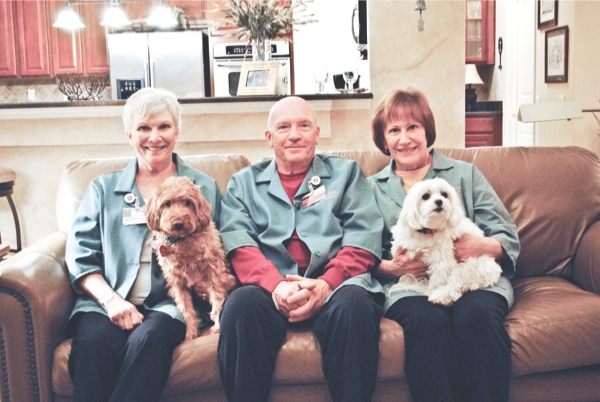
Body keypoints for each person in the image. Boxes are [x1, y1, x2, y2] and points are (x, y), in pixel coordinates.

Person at [218, 96, 384, 402]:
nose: (294, 134)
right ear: (269, 138)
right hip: (267, 290)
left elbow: (364, 235)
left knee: (355, 307)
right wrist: (276, 285)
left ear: (317, 133)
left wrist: (326, 283)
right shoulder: (243, 183)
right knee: (240, 307)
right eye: (284, 127)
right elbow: (237, 241)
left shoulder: (346, 174)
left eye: (304, 125)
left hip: (336, 285)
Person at [65, 87, 223, 402]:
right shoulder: (103, 189)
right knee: (93, 346)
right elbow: (80, 256)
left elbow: (224, 249)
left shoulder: (203, 187)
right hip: (106, 302)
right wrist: (112, 302)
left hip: (169, 305)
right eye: (144, 128)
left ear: (176, 132)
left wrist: (207, 286)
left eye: (163, 126)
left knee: (150, 341)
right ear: (129, 134)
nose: (155, 137)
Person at [367, 88, 520, 402]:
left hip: (472, 278)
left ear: (427, 132)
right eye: (394, 130)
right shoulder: (371, 188)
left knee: (475, 317)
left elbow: (506, 234)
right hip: (409, 284)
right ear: (384, 140)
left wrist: (481, 247)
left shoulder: (465, 174)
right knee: (427, 322)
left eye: (413, 127)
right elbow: (361, 250)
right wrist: (389, 267)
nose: (404, 138)